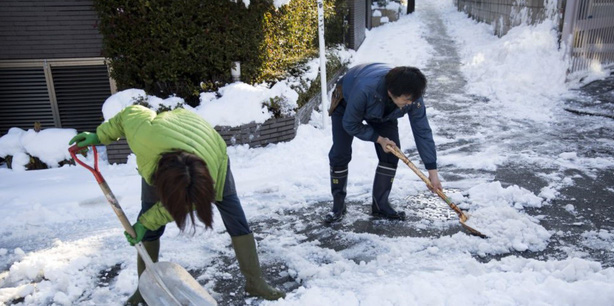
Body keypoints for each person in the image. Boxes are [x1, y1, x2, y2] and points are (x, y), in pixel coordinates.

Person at [69, 105, 285, 304]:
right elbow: (129, 114)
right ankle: (144, 289)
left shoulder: (209, 176)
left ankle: (255, 283)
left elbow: (186, 203)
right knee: (148, 221)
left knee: (235, 217)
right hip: (163, 148)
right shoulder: (144, 134)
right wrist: (99, 135)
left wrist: (147, 221)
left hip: (210, 152)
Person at [325, 63, 442, 223]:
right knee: (340, 153)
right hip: (347, 102)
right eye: (407, 100)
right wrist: (379, 139)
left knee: (392, 153)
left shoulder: (412, 97)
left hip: (385, 112)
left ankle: (381, 205)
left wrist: (432, 172)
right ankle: (338, 206)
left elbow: (422, 131)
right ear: (391, 92)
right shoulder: (364, 90)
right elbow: (350, 124)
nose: (410, 103)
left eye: (412, 99)